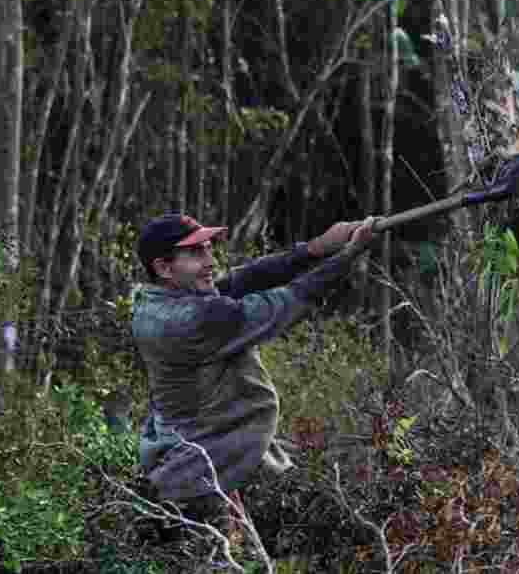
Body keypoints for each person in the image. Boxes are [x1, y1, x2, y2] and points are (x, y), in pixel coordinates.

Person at [132, 212, 378, 555]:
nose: (209, 260)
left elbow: (243, 280)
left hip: (204, 462)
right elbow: (286, 302)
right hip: (197, 481)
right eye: (195, 253)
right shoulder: (190, 320)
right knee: (234, 560)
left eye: (207, 248)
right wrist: (347, 257)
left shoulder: (157, 299)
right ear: (163, 268)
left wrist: (316, 248)